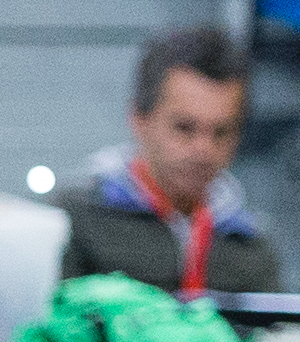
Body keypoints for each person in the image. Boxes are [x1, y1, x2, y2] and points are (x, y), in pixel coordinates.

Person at [54, 27, 283, 293]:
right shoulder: (74, 219)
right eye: (185, 127)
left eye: (221, 132)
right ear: (139, 119)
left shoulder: (252, 242)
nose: (204, 149)